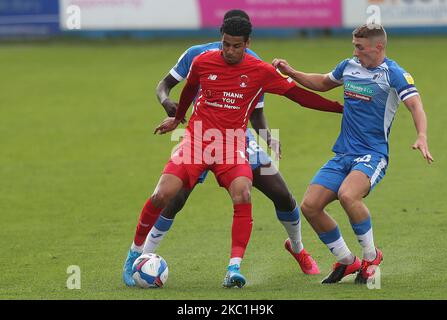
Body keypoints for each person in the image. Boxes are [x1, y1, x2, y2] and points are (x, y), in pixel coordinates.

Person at [125, 16, 343, 288]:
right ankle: (139, 255)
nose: (229, 50)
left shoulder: (257, 66)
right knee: (171, 197)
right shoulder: (198, 57)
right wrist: (174, 114)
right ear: (221, 35)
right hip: (197, 136)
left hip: (239, 140)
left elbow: (275, 104)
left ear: (247, 42)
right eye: (225, 43)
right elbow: (174, 87)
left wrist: (336, 110)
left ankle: (291, 251)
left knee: (278, 194)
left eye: (236, 45)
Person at [272, 24, 433, 284]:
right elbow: (323, 83)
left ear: (378, 47)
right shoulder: (349, 66)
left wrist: (422, 136)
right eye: (354, 45)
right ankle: (347, 261)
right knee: (310, 206)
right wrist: (291, 72)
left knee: (349, 195)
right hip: (343, 154)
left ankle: (371, 256)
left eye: (360, 46)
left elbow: (415, 105)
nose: (355, 51)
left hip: (372, 155)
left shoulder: (394, 74)